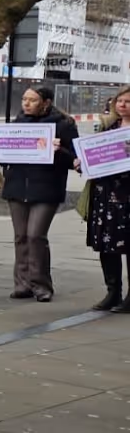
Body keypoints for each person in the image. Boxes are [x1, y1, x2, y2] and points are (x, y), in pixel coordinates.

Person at [1, 86, 79, 302]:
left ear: (46, 102)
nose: (26, 103)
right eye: (24, 99)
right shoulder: (18, 123)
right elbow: (5, 158)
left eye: (32, 100)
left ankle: (41, 284)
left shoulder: (63, 125)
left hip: (46, 188)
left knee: (36, 235)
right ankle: (22, 284)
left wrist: (59, 151)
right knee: (21, 237)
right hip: (17, 187)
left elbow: (76, 160)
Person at [84, 85, 130, 312]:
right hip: (105, 195)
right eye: (120, 101)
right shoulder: (108, 127)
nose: (122, 105)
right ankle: (113, 292)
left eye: (128, 101)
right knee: (106, 245)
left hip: (127, 195)